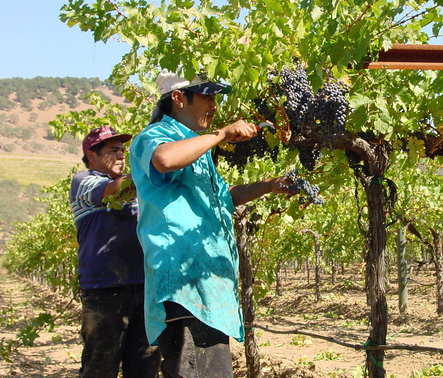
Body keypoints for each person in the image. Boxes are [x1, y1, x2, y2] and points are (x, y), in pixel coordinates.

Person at [129, 69, 296, 378]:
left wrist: (271, 185)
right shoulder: (153, 137)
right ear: (178, 98)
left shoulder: (196, 148)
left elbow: (222, 198)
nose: (215, 106)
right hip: (183, 287)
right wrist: (220, 135)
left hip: (207, 288)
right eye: (207, 96)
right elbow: (164, 160)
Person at [70, 126, 161, 378]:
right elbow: (116, 189)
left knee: (146, 366)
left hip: (144, 289)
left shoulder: (138, 189)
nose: (122, 155)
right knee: (99, 367)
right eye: (114, 151)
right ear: (92, 155)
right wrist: (162, 165)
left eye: (123, 151)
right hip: (103, 290)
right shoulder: (84, 181)